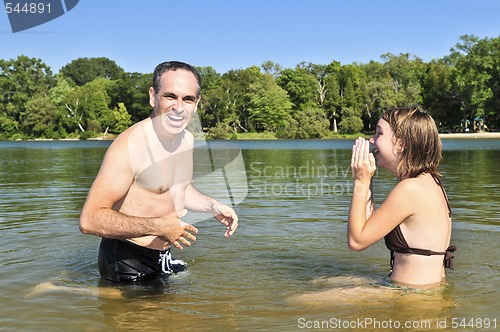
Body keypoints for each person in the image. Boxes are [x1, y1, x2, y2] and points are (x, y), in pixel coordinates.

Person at [79, 61, 239, 282]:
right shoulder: (130, 146)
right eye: (170, 96)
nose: (179, 107)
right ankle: (66, 289)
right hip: (126, 259)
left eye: (188, 99)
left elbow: (178, 189)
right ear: (153, 96)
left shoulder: (187, 139)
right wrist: (159, 226)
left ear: (197, 103)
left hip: (162, 256)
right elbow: (89, 220)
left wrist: (212, 205)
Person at [348, 106, 456, 289]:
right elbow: (370, 226)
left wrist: (361, 181)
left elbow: (356, 241)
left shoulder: (410, 189)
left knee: (303, 301)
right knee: (326, 281)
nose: (371, 140)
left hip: (411, 297)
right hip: (424, 292)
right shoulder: (430, 181)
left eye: (379, 134)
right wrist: (368, 178)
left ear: (402, 144)